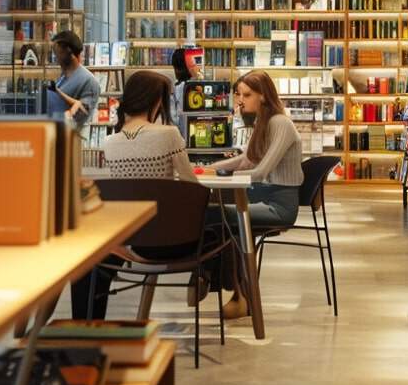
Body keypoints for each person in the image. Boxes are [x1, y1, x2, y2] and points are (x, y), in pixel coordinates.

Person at [71, 70, 200, 319]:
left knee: (89, 259)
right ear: (157, 101)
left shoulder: (110, 142)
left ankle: (87, 328)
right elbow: (190, 187)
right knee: (227, 222)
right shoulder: (170, 135)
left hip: (130, 241)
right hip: (171, 240)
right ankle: (210, 282)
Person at [202, 70, 303, 318]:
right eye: (239, 94)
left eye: (247, 95)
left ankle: (213, 281)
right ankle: (230, 289)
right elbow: (247, 161)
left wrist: (224, 177)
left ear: (264, 96)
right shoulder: (263, 122)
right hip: (262, 195)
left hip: (278, 205)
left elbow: (261, 171)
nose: (240, 101)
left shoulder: (280, 123)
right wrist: (207, 170)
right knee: (216, 214)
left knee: (217, 217)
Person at [46, 30, 100, 127]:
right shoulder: (63, 77)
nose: (56, 57)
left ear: (68, 52)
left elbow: (80, 116)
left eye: (57, 53)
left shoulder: (89, 81)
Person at [170, 46, 202, 138]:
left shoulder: (176, 89)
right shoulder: (201, 86)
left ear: (176, 69)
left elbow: (174, 120)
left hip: (182, 137)